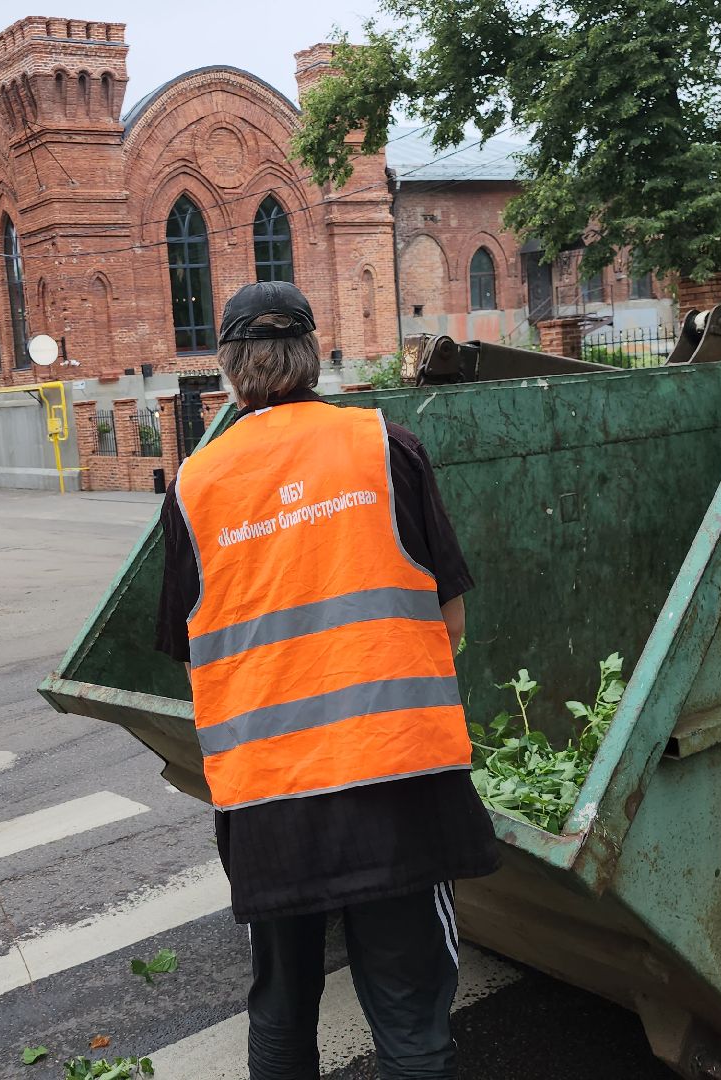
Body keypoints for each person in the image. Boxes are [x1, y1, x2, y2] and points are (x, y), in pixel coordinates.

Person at [154, 280, 498, 1079]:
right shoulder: (385, 446)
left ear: (230, 369)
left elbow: (188, 645)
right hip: (396, 784)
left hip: (268, 800)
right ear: (314, 355)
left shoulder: (195, 487)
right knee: (412, 1021)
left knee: (281, 1006)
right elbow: (449, 625)